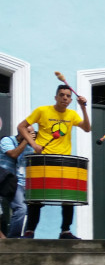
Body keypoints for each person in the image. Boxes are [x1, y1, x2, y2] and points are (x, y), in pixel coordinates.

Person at [17, 85, 91, 239]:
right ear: (55, 97)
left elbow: (87, 128)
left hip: (64, 161)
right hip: (44, 160)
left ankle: (65, 231)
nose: (65, 98)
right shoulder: (42, 111)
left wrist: (83, 108)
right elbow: (21, 126)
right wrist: (34, 144)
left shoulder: (72, 114)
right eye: (62, 95)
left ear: (71, 99)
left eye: (68, 96)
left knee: (69, 198)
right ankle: (29, 231)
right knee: (36, 198)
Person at [0, 124, 36, 238]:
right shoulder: (7, 140)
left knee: (32, 209)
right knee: (20, 208)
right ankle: (13, 239)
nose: (31, 135)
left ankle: (26, 237)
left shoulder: (30, 148)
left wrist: (34, 145)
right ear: (22, 132)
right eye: (28, 132)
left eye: (32, 133)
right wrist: (26, 140)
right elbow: (13, 154)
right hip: (5, 180)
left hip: (21, 183)